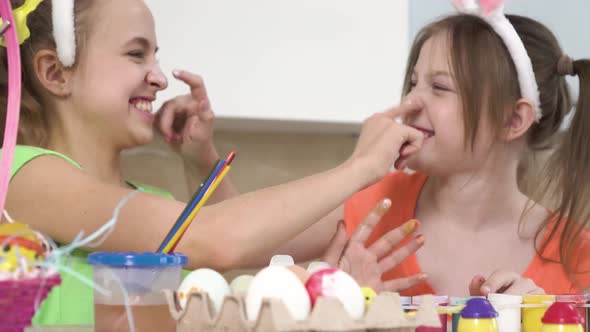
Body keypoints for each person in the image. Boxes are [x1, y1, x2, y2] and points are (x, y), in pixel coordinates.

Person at [0, 0, 428, 326]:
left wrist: (314, 289)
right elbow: (218, 237)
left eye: (155, 56)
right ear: (55, 73)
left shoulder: (156, 201)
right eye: (136, 54)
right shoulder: (19, 175)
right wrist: (360, 167)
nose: (160, 77)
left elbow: (233, 258)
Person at [191, 4, 590, 296]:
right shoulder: (372, 203)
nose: (412, 101)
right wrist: (200, 157)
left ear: (513, 121)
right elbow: (238, 242)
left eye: (439, 87)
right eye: (413, 82)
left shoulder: (579, 256)